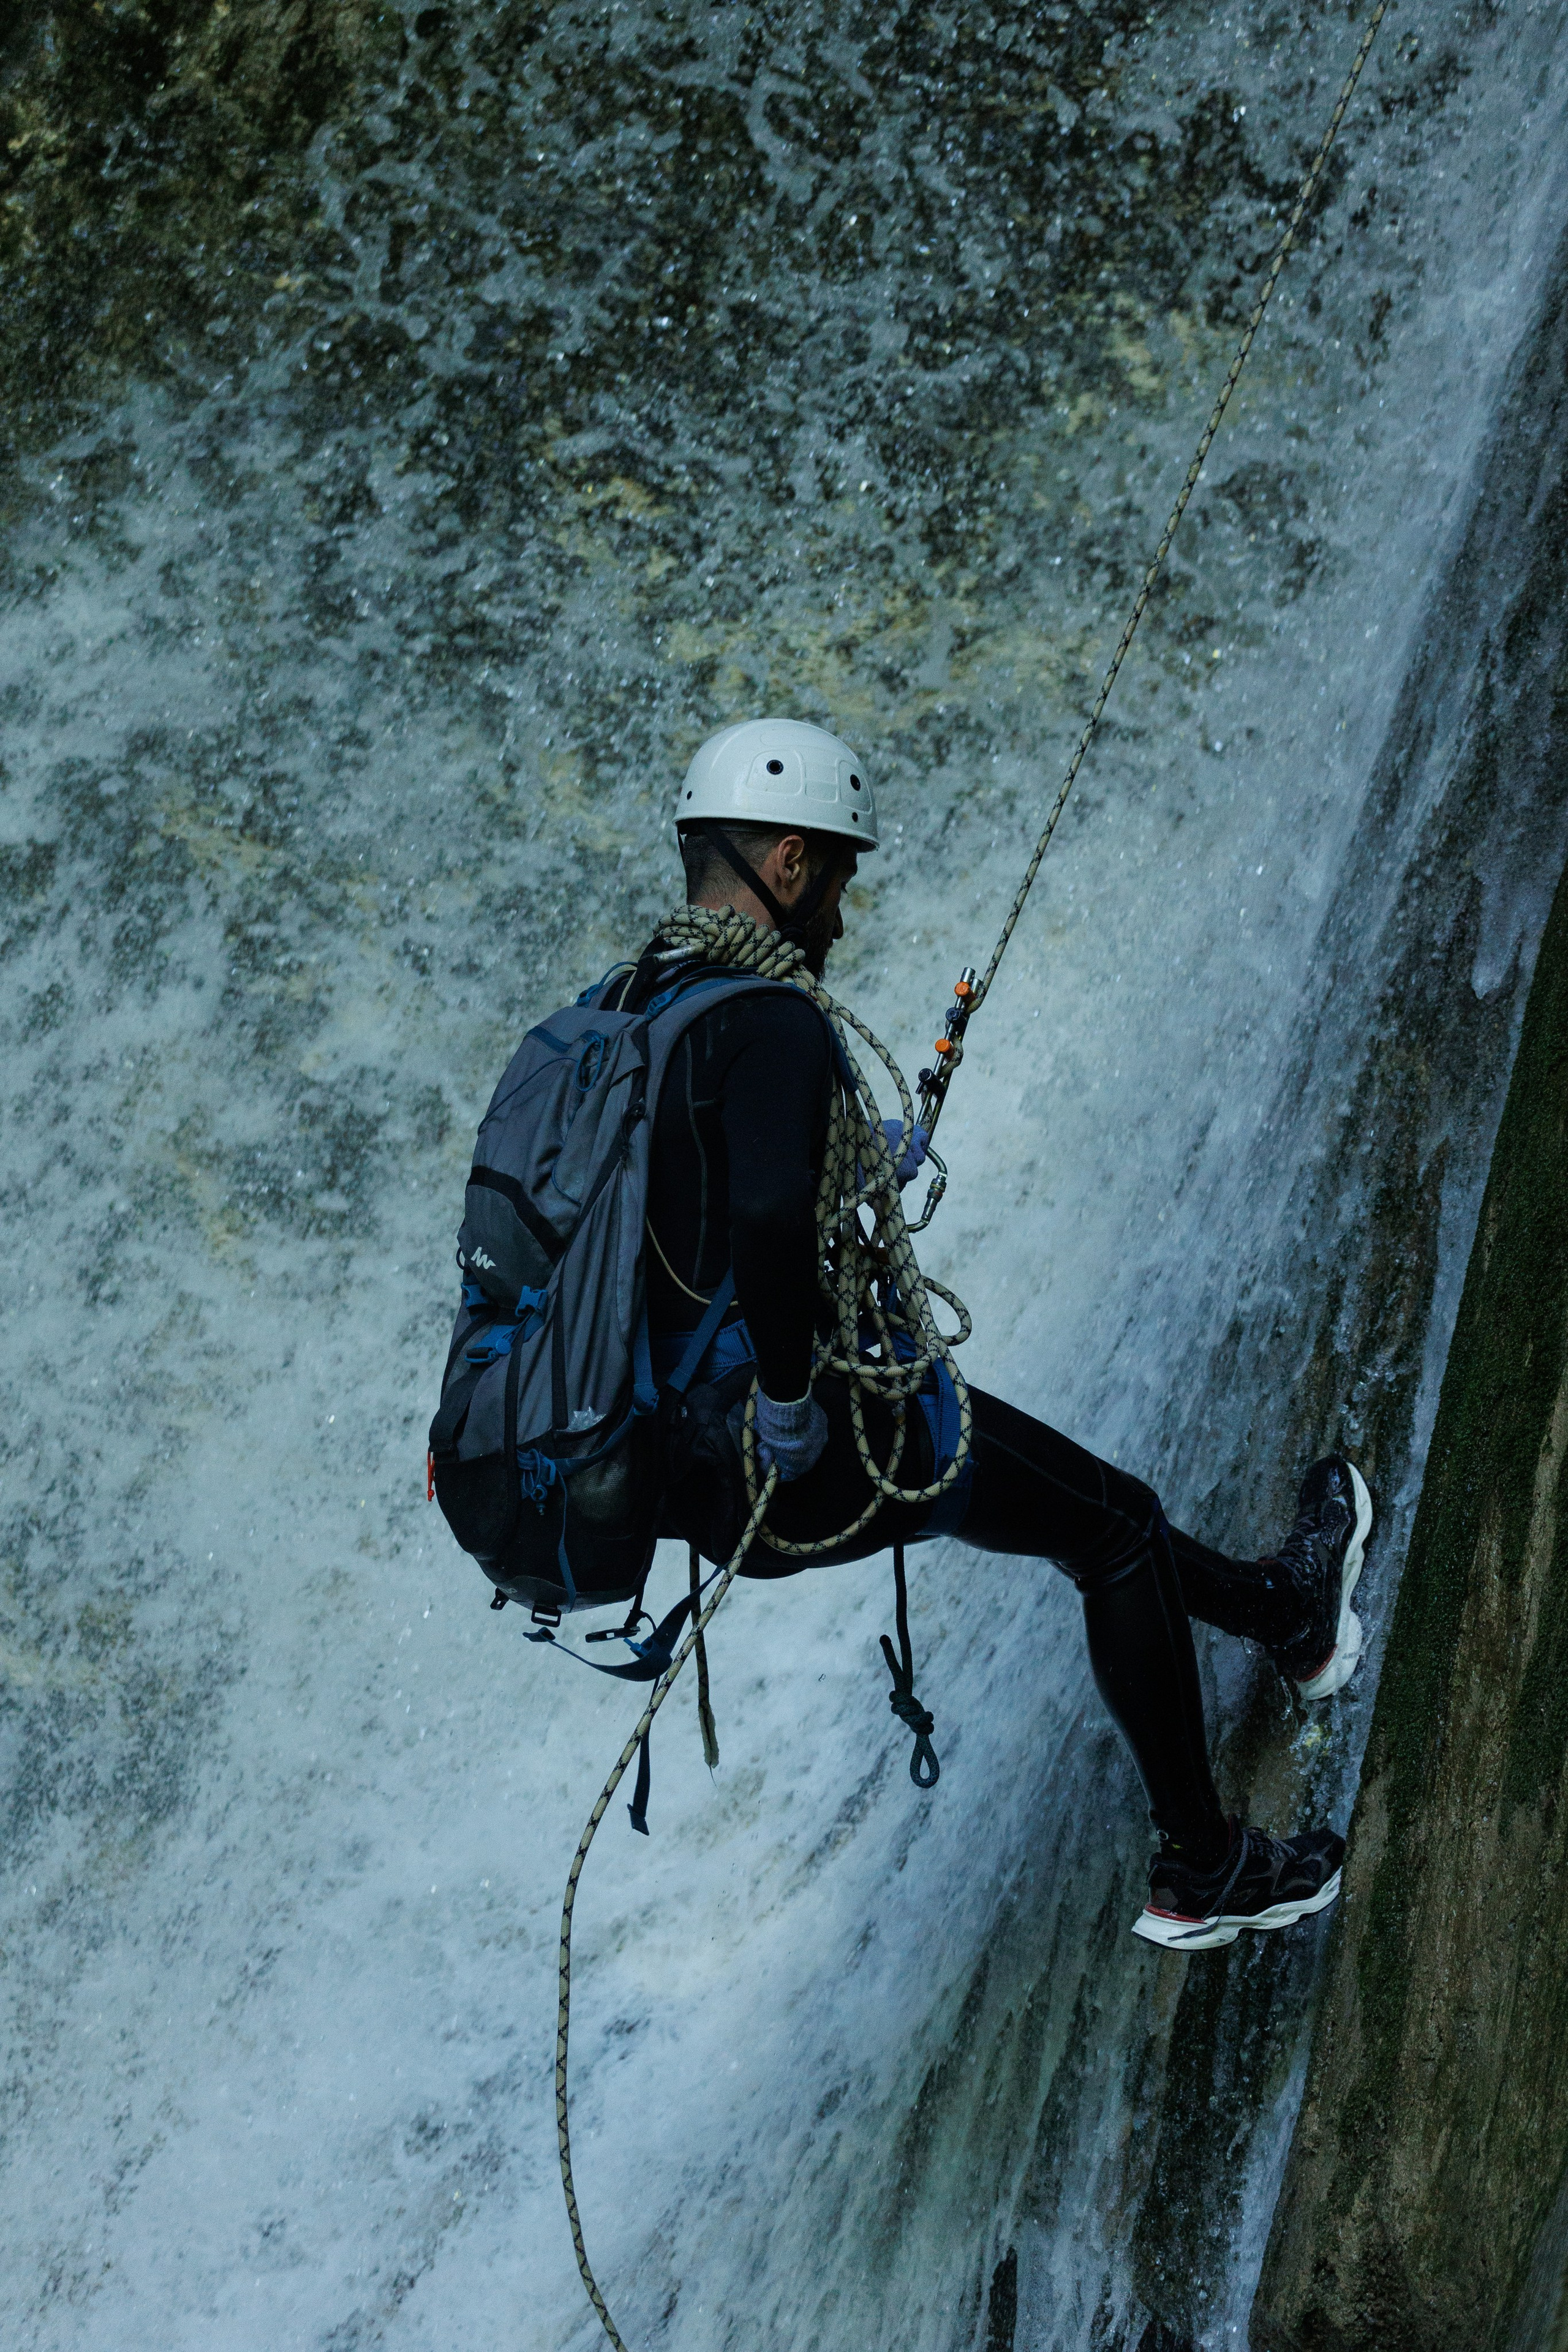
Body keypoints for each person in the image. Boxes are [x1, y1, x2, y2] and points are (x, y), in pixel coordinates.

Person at [606, 717, 1371, 1952]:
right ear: (787, 865)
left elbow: (693, 1226)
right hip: (786, 1445)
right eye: (837, 879)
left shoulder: (627, 1020)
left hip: (683, 1475)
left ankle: (1282, 1614)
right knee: (1109, 1531)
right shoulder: (761, 1015)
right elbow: (754, 1209)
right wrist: (794, 1403)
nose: (840, 919)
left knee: (1080, 1512)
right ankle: (1204, 1861)